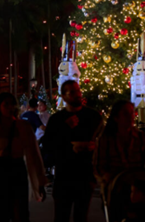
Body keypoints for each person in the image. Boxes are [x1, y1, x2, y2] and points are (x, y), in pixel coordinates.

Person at [43, 79, 104, 222]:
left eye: (78, 91)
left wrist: (93, 147)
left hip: (85, 175)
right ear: (63, 96)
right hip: (64, 175)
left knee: (81, 215)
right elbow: (48, 146)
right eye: (72, 92)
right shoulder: (57, 120)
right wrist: (66, 133)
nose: (77, 94)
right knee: (61, 215)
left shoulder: (93, 117)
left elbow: (102, 140)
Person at [93, 100, 145, 214]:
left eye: (132, 113)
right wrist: (106, 176)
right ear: (116, 118)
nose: (130, 117)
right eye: (125, 114)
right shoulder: (106, 139)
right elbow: (99, 165)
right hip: (116, 185)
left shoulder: (142, 138)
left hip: (138, 185)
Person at [0, 92, 47, 222]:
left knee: (20, 211)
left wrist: (40, 181)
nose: (10, 107)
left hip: (17, 171)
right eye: (6, 104)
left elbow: (34, 154)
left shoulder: (23, 126)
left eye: (12, 104)